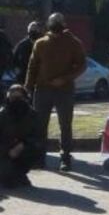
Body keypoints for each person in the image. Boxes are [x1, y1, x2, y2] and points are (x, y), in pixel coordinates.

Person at [25, 13, 87, 172]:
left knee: (65, 125)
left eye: (58, 21)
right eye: (53, 21)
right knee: (40, 125)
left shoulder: (73, 43)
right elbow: (32, 67)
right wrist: (27, 87)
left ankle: (65, 158)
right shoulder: (40, 43)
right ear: (48, 24)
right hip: (42, 89)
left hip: (64, 90)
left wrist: (65, 79)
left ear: (64, 24)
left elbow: (81, 66)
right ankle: (39, 158)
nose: (56, 24)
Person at [0, 85, 44, 188]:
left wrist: (22, 145)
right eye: (13, 98)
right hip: (4, 152)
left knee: (36, 149)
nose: (16, 101)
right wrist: (7, 150)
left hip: (23, 149)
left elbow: (39, 137)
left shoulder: (33, 115)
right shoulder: (2, 115)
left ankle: (19, 174)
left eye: (19, 98)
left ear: (25, 98)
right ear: (8, 99)